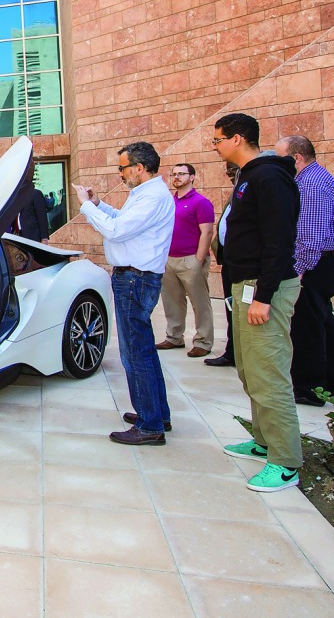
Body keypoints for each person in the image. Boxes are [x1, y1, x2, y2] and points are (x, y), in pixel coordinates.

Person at [213, 112, 303, 492]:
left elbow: (279, 241)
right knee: (250, 370)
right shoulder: (251, 175)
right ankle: (264, 442)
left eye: (217, 140)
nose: (215, 146)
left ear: (237, 138)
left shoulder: (268, 177)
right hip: (245, 284)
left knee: (269, 374)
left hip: (265, 288)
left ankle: (285, 463)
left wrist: (263, 297)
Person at [74, 141, 175, 446]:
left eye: (122, 168)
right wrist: (99, 204)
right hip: (135, 277)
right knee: (143, 348)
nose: (120, 174)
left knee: (135, 353)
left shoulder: (153, 196)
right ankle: (156, 414)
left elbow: (116, 231)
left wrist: (87, 207)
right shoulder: (144, 195)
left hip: (135, 279)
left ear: (139, 168)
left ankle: (149, 425)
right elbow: (122, 222)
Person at [275, 135, 334, 406]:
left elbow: (310, 237)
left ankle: (310, 389)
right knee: (324, 323)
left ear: (296, 158)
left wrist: (299, 270)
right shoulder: (315, 178)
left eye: (280, 157)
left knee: (307, 329)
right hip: (323, 262)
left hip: (315, 265)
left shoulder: (311, 185)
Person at [156, 163, 216, 358]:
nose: (176, 177)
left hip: (191, 259)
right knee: (172, 302)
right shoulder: (169, 202)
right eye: (173, 174)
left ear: (192, 177)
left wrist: (198, 260)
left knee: (200, 303)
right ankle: (174, 337)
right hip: (170, 259)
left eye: (181, 174)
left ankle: (203, 341)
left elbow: (207, 232)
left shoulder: (201, 202)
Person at [205, 161, 240, 368]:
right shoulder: (236, 190)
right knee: (231, 308)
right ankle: (233, 352)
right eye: (227, 169)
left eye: (234, 169)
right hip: (230, 260)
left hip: (244, 263)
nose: (230, 173)